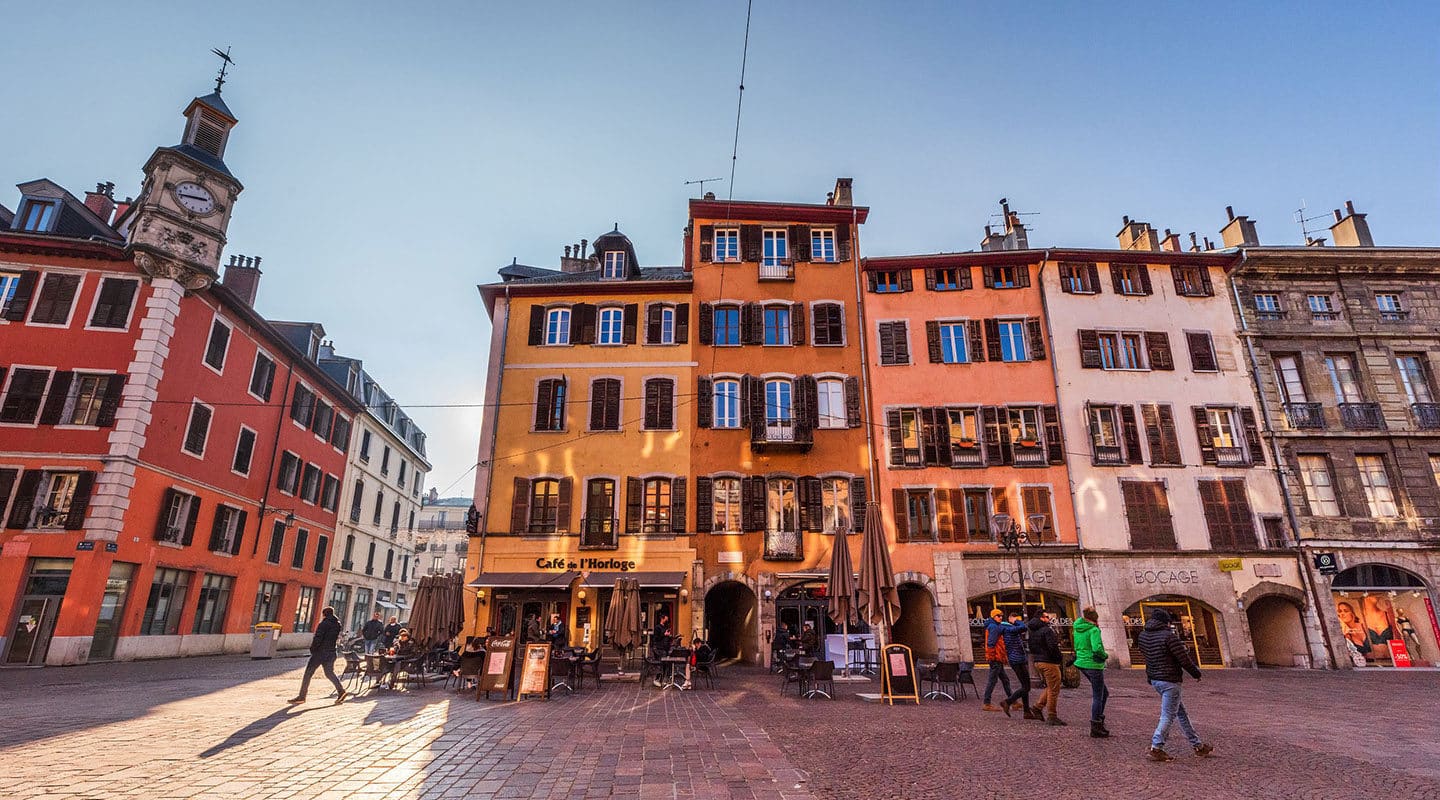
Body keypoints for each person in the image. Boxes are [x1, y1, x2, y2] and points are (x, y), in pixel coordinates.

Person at [1139, 608, 1212, 761]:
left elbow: (1148, 658)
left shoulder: (1143, 636)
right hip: (1170, 680)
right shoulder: (1169, 637)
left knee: (1180, 713)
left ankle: (1197, 745)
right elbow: (1183, 658)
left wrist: (1150, 676)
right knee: (1168, 715)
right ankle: (1156, 746)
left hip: (1155, 679)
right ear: (1166, 622)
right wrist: (1196, 674)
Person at [289, 606, 347, 704]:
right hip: (332, 651)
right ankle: (341, 691)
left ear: (324, 614)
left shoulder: (323, 624)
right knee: (329, 673)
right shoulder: (337, 624)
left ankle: (302, 696)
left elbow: (318, 638)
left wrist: (313, 649)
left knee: (308, 673)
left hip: (320, 652)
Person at [1073, 606, 1110, 738]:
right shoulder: (1094, 630)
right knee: (1098, 695)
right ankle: (1096, 724)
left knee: (1103, 693)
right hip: (1093, 663)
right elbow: (1096, 648)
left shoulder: (1077, 628)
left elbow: (1077, 645)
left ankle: (1098, 720)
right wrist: (1105, 655)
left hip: (1082, 662)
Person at [1028, 609, 1066, 726]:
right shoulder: (1046, 630)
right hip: (1049, 661)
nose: (1048, 619)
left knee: (1051, 686)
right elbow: (1052, 647)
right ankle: (1052, 715)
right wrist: (1059, 658)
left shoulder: (1032, 631)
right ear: (1041, 618)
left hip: (1038, 661)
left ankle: (1037, 707)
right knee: (1054, 689)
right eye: (1046, 617)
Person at [1000, 610, 1039, 720]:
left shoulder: (1008, 628)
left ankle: (1026, 711)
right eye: (1017, 618)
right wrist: (1016, 621)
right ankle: (1007, 701)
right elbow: (1023, 627)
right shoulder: (1007, 628)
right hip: (1016, 660)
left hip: (1019, 659)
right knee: (1026, 686)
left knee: (1025, 686)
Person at [980, 609, 1014, 713]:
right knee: (993, 680)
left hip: (997, 657)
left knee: (1005, 680)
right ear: (994, 617)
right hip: (995, 658)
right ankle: (986, 703)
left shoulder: (994, 626)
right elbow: (991, 643)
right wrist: (992, 656)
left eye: (1001, 616)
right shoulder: (994, 627)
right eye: (998, 616)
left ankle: (1012, 700)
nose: (1001, 617)